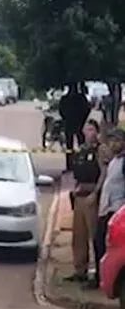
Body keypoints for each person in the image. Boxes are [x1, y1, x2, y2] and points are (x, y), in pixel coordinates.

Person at [65, 119, 103, 282]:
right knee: (78, 236)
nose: (87, 133)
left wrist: (95, 192)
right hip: (79, 195)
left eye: (90, 130)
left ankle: (97, 272)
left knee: (94, 235)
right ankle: (80, 270)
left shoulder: (100, 151)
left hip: (91, 196)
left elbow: (104, 172)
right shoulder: (80, 150)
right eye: (85, 130)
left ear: (97, 132)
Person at [92, 127, 125, 289]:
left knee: (105, 245)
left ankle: (104, 279)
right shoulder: (114, 160)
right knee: (98, 242)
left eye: (117, 141)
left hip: (116, 210)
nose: (113, 144)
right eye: (111, 141)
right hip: (106, 208)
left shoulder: (124, 162)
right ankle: (100, 277)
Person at [59, 82, 91, 170]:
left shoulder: (80, 98)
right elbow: (61, 111)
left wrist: (82, 120)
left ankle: (81, 164)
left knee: (80, 146)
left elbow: (87, 109)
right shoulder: (66, 98)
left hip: (77, 124)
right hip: (71, 124)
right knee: (70, 146)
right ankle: (70, 165)